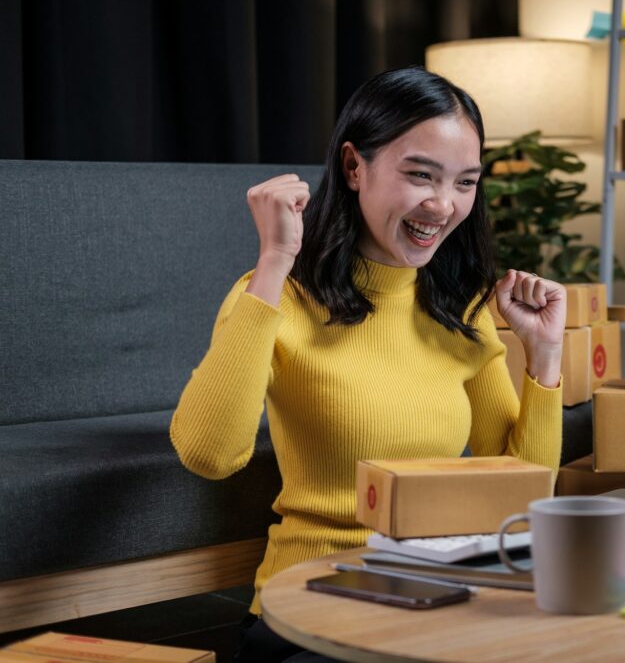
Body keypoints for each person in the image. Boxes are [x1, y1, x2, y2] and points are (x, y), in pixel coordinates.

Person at [170, 66, 566, 662]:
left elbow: (522, 501)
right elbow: (209, 453)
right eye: (419, 175)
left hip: (432, 600)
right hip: (312, 608)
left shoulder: (461, 308)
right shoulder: (276, 295)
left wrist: (544, 356)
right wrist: (276, 259)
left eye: (465, 182)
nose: (443, 204)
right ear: (355, 167)